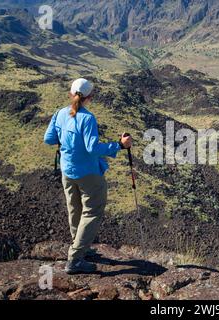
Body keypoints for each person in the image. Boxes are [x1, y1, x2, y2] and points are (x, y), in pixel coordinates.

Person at [44, 78, 132, 274]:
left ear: (71, 93)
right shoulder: (87, 118)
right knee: (91, 212)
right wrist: (119, 145)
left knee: (74, 209)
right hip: (88, 173)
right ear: (90, 97)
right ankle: (75, 259)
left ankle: (80, 248)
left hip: (67, 170)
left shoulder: (60, 114)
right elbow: (92, 148)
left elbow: (48, 139)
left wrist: (67, 139)